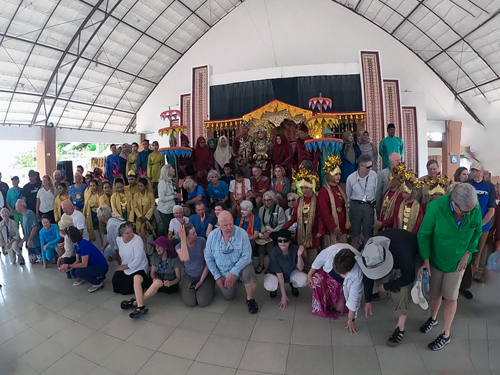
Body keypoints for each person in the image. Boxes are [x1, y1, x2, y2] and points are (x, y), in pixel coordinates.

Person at [418, 183, 482, 350]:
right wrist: (425, 261)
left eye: (471, 210)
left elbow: (477, 232)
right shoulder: (435, 208)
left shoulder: (473, 208)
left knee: (451, 296)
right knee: (434, 293)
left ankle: (446, 334)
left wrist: (468, 252)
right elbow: (423, 235)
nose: (469, 214)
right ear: (453, 203)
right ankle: (433, 318)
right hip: (436, 259)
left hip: (458, 261)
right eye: (465, 212)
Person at [362, 230, 418, 347]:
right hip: (395, 255)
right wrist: (368, 300)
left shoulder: (402, 252)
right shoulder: (369, 249)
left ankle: (400, 326)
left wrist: (387, 286)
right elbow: (367, 275)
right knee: (380, 278)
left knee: (404, 288)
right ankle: (384, 294)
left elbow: (408, 277)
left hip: (414, 254)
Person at [205, 211, 259, 313]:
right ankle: (234, 283)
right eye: (225, 225)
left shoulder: (242, 233)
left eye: (231, 224)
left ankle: (250, 299)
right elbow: (208, 257)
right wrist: (217, 276)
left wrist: (234, 272)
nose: (229, 227)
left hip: (240, 266)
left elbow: (247, 256)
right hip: (223, 270)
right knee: (228, 296)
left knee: (249, 274)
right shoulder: (212, 236)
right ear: (219, 225)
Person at [307, 243, 363, 333]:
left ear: (349, 270)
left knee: (339, 308)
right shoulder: (331, 251)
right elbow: (319, 260)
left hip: (342, 285)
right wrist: (309, 275)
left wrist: (351, 320)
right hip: (328, 276)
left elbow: (354, 296)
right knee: (316, 280)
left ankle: (338, 299)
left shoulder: (357, 274)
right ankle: (323, 302)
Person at [121, 236, 181, 318]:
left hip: (168, 284)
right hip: (156, 280)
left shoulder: (174, 259)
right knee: (137, 277)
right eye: (156, 246)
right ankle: (140, 305)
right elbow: (152, 273)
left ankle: (135, 302)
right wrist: (153, 278)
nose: (157, 248)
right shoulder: (155, 256)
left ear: (165, 247)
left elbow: (178, 278)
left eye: (159, 246)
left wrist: (170, 283)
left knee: (158, 282)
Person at [462, 161, 496, 290]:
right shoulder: (466, 185)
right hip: (465, 226)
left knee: (474, 255)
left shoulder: (490, 187)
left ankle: (466, 285)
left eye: (477, 170)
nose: (475, 173)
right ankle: (456, 283)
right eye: (473, 170)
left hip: (482, 228)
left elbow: (491, 211)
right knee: (461, 253)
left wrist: (479, 225)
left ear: (483, 171)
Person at [283, 166, 322, 271]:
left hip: (313, 231)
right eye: (302, 188)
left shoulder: (317, 199)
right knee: (301, 251)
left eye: (306, 188)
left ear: (311, 187)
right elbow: (294, 216)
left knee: (312, 254)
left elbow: (320, 216)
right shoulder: (300, 200)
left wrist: (320, 230)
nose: (304, 190)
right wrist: (285, 226)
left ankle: (312, 273)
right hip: (301, 230)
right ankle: (302, 272)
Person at [264, 229, 307, 307]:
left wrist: (299, 256)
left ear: (290, 241)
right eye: (280, 240)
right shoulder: (275, 251)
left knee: (304, 279)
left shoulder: (295, 248)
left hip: (290, 272)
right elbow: (279, 274)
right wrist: (284, 295)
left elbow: (300, 268)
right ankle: (274, 289)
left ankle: (293, 285)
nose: (282, 243)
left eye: (285, 240)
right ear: (277, 242)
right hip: (275, 274)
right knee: (270, 285)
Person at [59, 226, 109, 293]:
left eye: (66, 235)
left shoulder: (83, 244)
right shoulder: (77, 244)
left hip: (101, 268)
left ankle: (98, 283)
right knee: (74, 271)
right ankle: (96, 277)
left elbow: (84, 264)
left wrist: (68, 266)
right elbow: (78, 260)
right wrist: (68, 268)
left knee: (78, 272)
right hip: (93, 265)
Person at [177, 223, 215, 307]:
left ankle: (208, 286)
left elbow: (208, 262)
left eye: (195, 232)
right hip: (189, 276)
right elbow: (185, 258)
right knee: (190, 302)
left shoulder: (201, 241)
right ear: (186, 236)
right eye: (193, 233)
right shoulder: (178, 247)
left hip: (204, 275)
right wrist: (183, 239)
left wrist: (201, 281)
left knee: (202, 301)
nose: (196, 234)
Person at [346, 154, 378, 249]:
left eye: (371, 166)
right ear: (361, 166)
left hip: (369, 206)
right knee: (354, 234)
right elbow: (348, 194)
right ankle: (353, 255)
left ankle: (367, 255)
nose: (370, 169)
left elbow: (376, 191)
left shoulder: (374, 175)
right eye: (368, 167)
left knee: (368, 233)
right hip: (355, 205)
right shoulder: (351, 178)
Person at [318, 155, 350, 247]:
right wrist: (333, 226)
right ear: (329, 175)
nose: (338, 176)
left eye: (339, 174)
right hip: (331, 229)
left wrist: (347, 221)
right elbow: (325, 212)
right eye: (336, 174)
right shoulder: (323, 191)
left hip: (342, 227)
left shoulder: (339, 188)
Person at [112, 222, 149, 295]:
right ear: (122, 234)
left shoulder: (137, 240)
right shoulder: (118, 239)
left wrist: (125, 267)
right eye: (127, 233)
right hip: (126, 265)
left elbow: (137, 260)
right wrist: (122, 266)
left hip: (138, 267)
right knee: (116, 281)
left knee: (129, 286)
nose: (130, 234)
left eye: (131, 232)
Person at [256, 191, 286, 274]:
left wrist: (271, 232)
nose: (267, 202)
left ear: (273, 200)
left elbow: (282, 224)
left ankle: (272, 266)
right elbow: (261, 222)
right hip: (264, 231)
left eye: (269, 200)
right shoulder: (262, 209)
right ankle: (261, 264)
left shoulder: (279, 209)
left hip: (275, 230)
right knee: (261, 246)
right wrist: (264, 232)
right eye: (265, 200)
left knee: (270, 246)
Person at [374, 164, 405, 232]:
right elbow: (381, 208)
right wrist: (379, 222)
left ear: (395, 181)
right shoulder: (387, 192)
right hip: (382, 226)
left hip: (392, 229)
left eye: (389, 180)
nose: (387, 181)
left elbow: (397, 215)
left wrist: (383, 223)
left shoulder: (400, 195)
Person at [158, 164, 181, 237]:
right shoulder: (162, 183)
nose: (174, 170)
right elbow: (161, 198)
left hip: (171, 208)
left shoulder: (169, 182)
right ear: (167, 171)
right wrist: (173, 196)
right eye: (172, 169)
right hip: (165, 210)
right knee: (167, 229)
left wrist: (176, 195)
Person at [16, 199, 41, 263]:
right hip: (30, 245)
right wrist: (22, 241)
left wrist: (30, 239)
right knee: (32, 261)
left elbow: (35, 227)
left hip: (36, 243)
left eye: (16, 207)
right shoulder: (23, 217)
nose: (16, 209)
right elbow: (25, 232)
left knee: (40, 261)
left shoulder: (30, 213)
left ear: (20, 206)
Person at [132, 178, 155, 244]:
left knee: (149, 236)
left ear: (146, 186)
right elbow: (135, 207)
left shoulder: (150, 195)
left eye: (141, 186)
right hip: (139, 219)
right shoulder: (136, 195)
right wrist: (140, 216)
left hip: (148, 219)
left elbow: (152, 206)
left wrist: (146, 216)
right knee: (140, 237)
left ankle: (150, 253)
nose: (139, 187)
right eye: (138, 185)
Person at [57, 215, 78, 280]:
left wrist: (61, 257)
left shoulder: (67, 237)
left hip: (71, 257)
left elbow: (69, 252)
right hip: (76, 255)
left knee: (65, 261)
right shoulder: (74, 232)